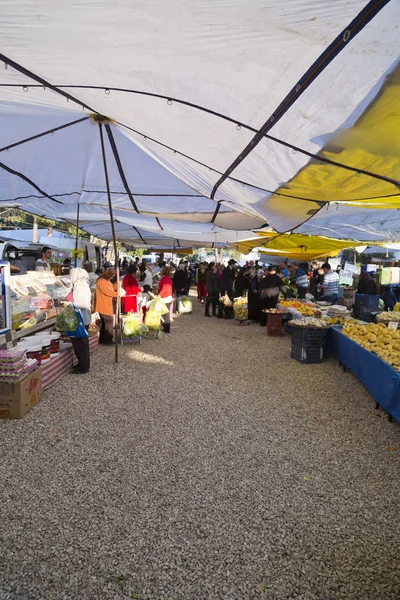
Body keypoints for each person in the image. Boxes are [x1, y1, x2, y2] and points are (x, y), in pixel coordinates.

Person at [93, 268, 124, 345]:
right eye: (112, 275)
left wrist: (117, 283)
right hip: (103, 305)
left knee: (105, 323)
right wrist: (118, 294)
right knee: (109, 323)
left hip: (105, 304)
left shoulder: (106, 280)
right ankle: (108, 340)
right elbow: (107, 291)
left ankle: (103, 339)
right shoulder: (101, 281)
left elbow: (111, 288)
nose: (112, 277)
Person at [70, 268, 91, 374]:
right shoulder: (84, 285)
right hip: (83, 318)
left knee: (80, 344)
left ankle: (83, 367)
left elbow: (84, 304)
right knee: (82, 344)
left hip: (81, 318)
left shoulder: (80, 287)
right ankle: (83, 364)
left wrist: (70, 304)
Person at [158, 267, 173, 333]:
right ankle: (166, 328)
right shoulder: (168, 278)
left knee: (164, 314)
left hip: (164, 298)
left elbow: (164, 288)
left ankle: (166, 328)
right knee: (166, 314)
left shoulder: (164, 279)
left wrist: (159, 295)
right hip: (168, 297)